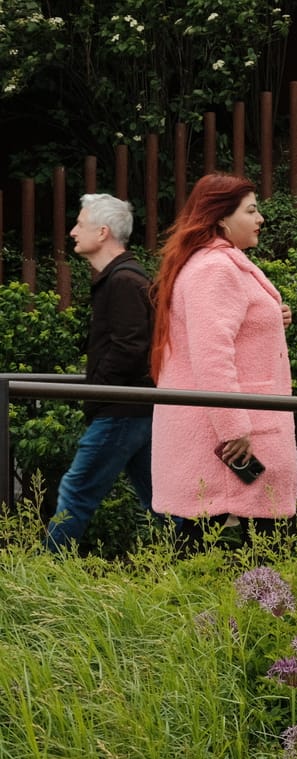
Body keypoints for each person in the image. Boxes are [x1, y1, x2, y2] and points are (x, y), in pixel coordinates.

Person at [149, 173, 297, 541]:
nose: (260, 218)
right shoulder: (216, 268)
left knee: (209, 548)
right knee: (255, 548)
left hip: (235, 428)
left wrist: (272, 316)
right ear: (221, 218)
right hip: (234, 436)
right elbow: (211, 354)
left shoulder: (220, 264)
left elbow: (226, 327)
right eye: (251, 210)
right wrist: (235, 429)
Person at [44, 194, 158, 552]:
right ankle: (193, 572)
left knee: (75, 493)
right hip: (133, 407)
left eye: (80, 224)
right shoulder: (125, 277)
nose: (73, 231)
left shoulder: (123, 280)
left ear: (103, 232)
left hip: (119, 408)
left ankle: (44, 577)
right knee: (164, 504)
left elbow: (130, 347)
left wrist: (97, 389)